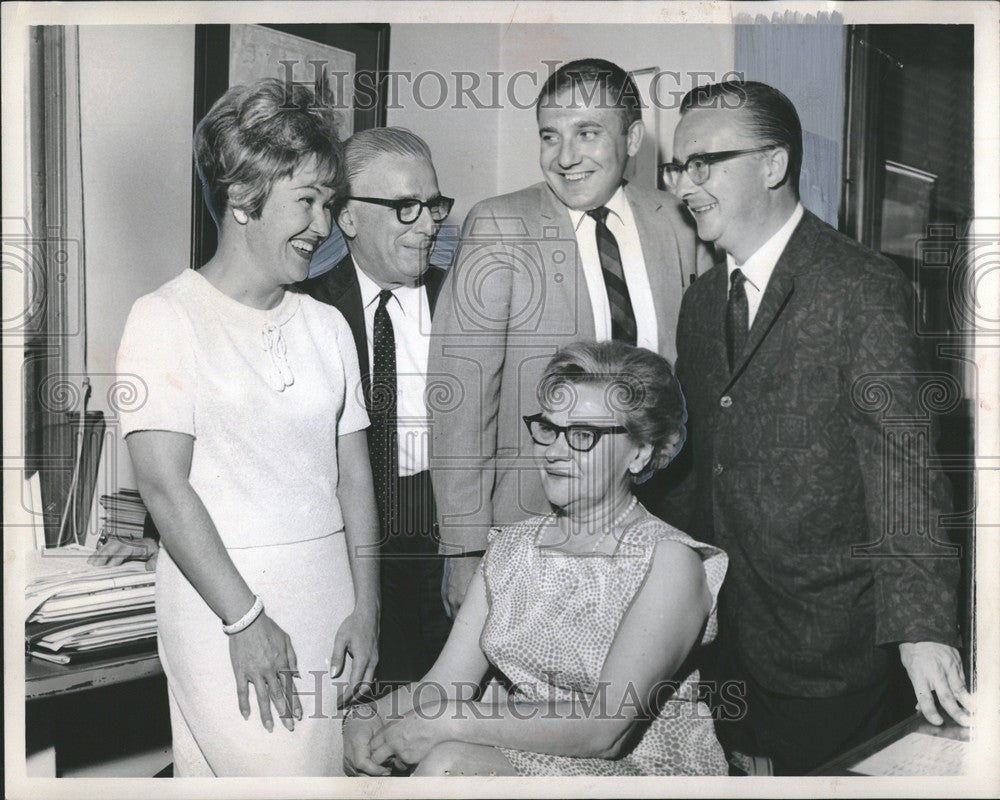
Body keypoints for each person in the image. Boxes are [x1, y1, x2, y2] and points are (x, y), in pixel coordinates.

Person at [663, 79, 970, 775]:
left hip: (826, 643)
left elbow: (905, 469)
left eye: (704, 163)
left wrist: (922, 629)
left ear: (773, 165)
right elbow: (692, 466)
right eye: (679, 167)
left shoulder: (861, 286)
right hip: (720, 638)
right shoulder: (702, 301)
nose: (686, 184)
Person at [115, 78, 379, 776]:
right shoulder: (165, 319)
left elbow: (354, 477)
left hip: (331, 600)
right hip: (225, 603)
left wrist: (369, 606)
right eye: (308, 203)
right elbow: (164, 490)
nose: (324, 226)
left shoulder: (327, 326)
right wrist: (245, 620)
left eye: (330, 203)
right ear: (242, 200)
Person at [343, 341, 729, 777]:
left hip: (642, 770)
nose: (555, 451)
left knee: (449, 762)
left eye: (583, 435)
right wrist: (367, 716)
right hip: (528, 756)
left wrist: (453, 722)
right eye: (548, 428)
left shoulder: (670, 562)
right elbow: (446, 685)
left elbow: (605, 730)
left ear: (639, 452)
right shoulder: (511, 547)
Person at [429, 58, 711, 615]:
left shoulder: (676, 221)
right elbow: (459, 396)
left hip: (658, 521)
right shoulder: (500, 225)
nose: (565, 157)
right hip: (537, 525)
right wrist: (462, 548)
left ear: (631, 138)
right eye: (550, 136)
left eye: (587, 133)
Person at [298, 127, 453, 688]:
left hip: (447, 538)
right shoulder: (307, 309)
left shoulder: (466, 298)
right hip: (348, 552)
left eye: (434, 205)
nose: (429, 224)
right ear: (347, 217)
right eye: (406, 208)